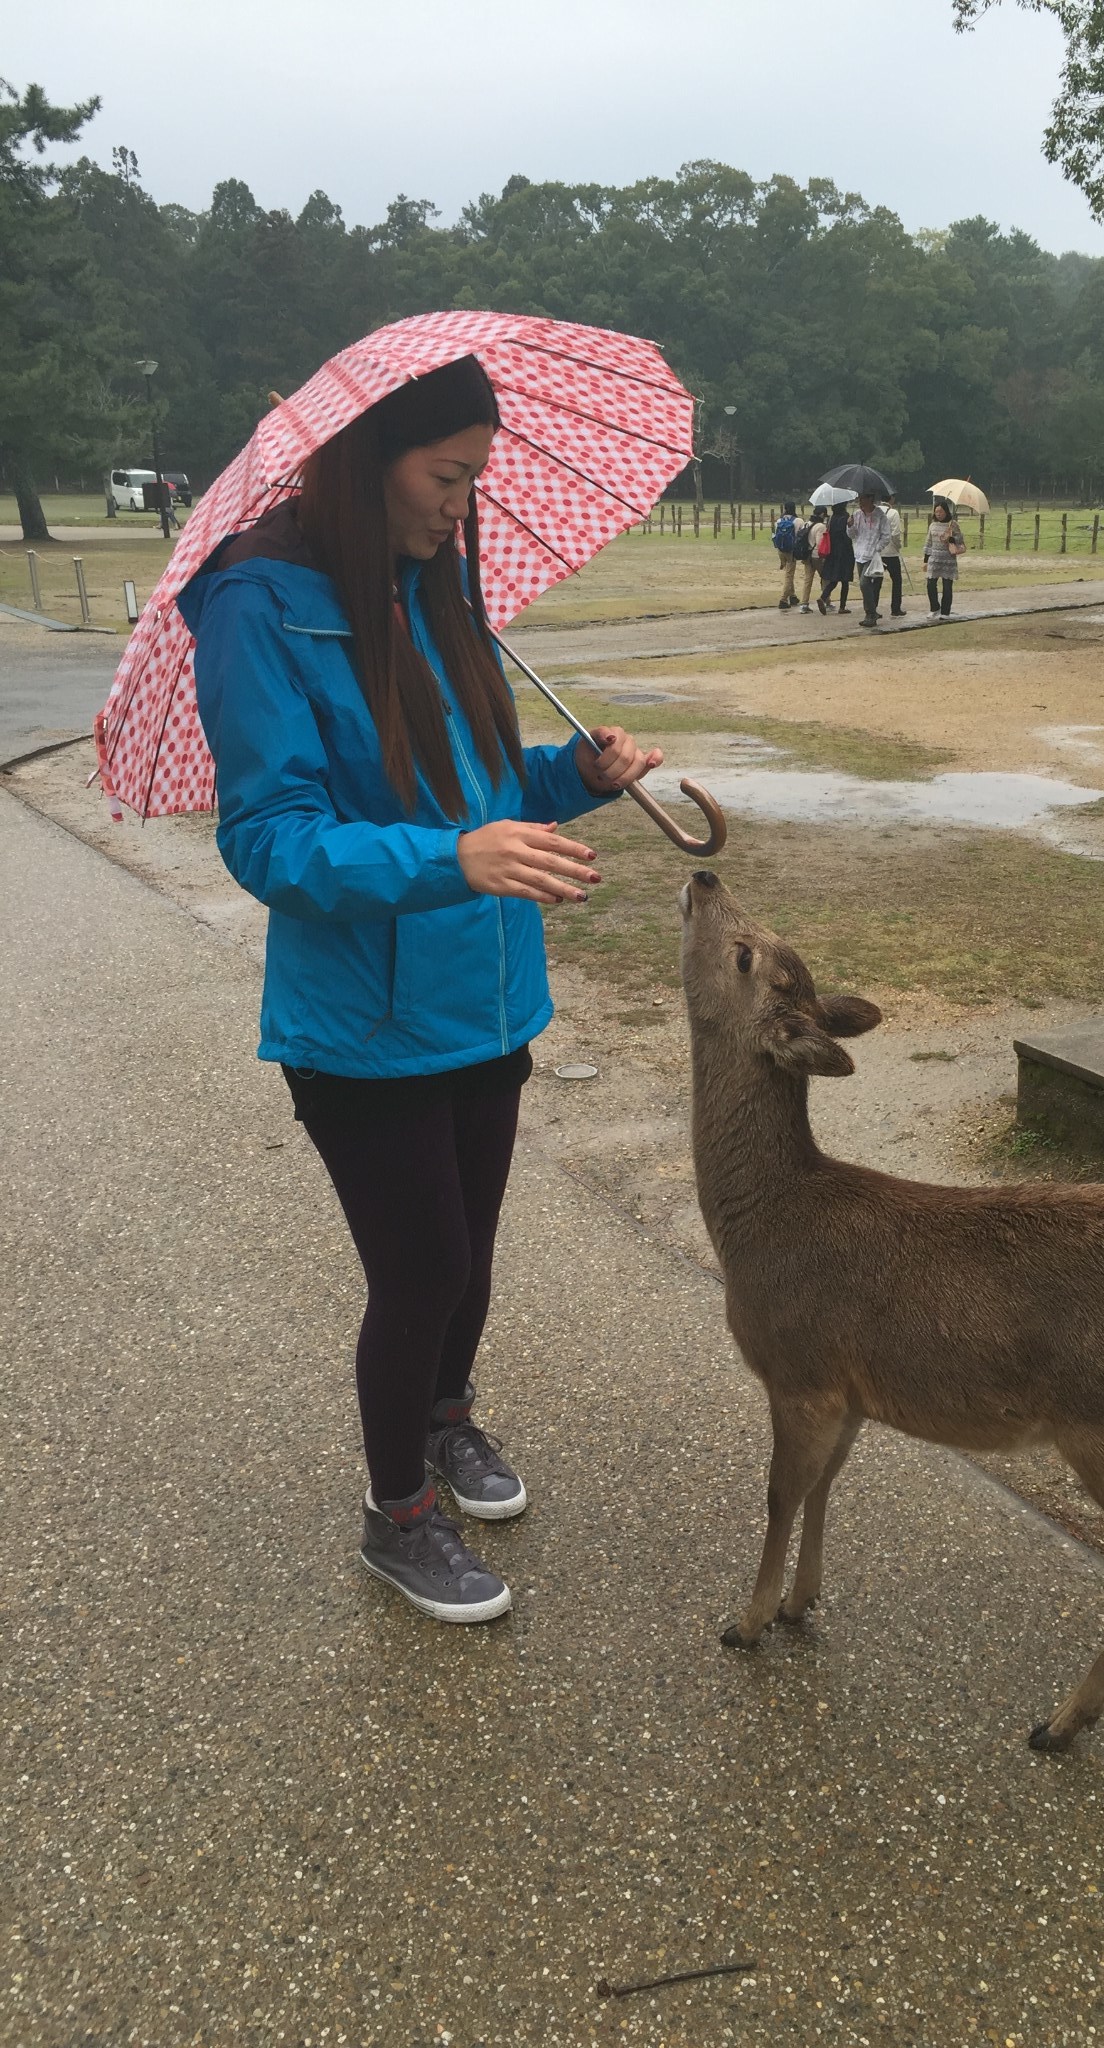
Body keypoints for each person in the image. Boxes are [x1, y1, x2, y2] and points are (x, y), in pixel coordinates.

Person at [178, 355, 662, 1625]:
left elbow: (483, 792)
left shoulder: (439, 588)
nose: (464, 504)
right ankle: (397, 1514)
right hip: (361, 1022)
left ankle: (447, 1417)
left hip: (487, 998)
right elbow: (271, 840)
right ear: (366, 461)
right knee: (424, 1268)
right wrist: (450, 858)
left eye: (478, 479)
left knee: (473, 1256)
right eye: (447, 476)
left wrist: (573, 774)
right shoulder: (257, 605)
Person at [850, 492, 899, 628]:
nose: (860, 502)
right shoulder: (857, 515)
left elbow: (886, 536)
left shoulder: (880, 515)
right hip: (859, 554)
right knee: (866, 586)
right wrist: (850, 526)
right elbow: (852, 535)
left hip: (872, 555)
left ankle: (870, 613)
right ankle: (871, 612)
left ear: (870, 499)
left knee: (864, 584)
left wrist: (877, 548)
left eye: (863, 499)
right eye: (859, 500)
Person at [924, 496, 965, 619]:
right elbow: (928, 542)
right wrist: (925, 559)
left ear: (946, 512)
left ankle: (945, 611)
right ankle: (934, 608)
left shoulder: (953, 524)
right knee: (930, 584)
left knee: (947, 585)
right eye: (936, 512)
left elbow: (960, 540)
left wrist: (951, 537)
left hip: (948, 559)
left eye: (941, 512)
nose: (938, 514)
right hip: (934, 558)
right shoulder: (932, 525)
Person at [817, 503, 854, 614]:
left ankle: (823, 597)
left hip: (833, 552)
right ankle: (842, 606)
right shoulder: (846, 517)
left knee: (834, 579)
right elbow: (849, 534)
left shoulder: (832, 518)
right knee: (845, 580)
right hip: (845, 552)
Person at [771, 498, 803, 609]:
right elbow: (802, 535)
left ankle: (792, 596)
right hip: (791, 551)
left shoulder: (779, 521)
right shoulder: (798, 521)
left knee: (789, 573)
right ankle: (783, 599)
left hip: (781, 550)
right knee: (789, 575)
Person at [880, 496, 905, 615]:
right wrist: (898, 546)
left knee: (876, 582)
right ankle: (895, 608)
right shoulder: (893, 513)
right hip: (891, 552)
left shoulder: (875, 511)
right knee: (897, 581)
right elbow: (895, 533)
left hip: (878, 553)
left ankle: (872, 609)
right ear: (892, 499)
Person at [796, 509, 825, 612]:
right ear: (822, 514)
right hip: (817, 556)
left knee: (808, 580)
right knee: (825, 578)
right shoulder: (820, 526)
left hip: (806, 555)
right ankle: (826, 600)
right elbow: (819, 542)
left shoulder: (807, 524)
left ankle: (804, 603)